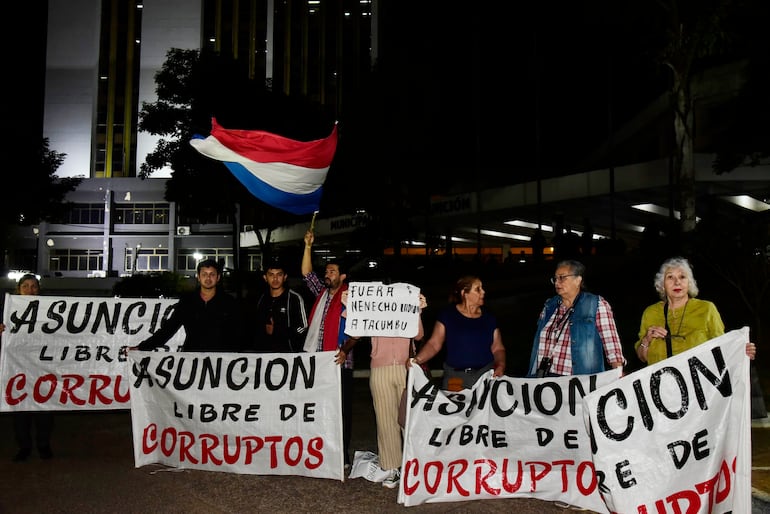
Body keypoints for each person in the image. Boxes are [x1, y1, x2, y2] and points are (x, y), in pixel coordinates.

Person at [343, 288, 427, 489]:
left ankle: (414, 464)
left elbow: (418, 336)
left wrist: (418, 311)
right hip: (380, 369)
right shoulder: (373, 309)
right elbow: (355, 332)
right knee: (385, 420)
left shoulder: (406, 308)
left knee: (410, 419)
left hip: (406, 368)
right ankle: (393, 466)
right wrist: (350, 306)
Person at [301, 229, 358, 468]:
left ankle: (342, 456)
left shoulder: (351, 296)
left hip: (340, 362)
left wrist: (345, 348)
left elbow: (358, 331)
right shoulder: (322, 293)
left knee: (341, 411)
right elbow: (306, 274)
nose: (327, 274)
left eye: (332, 271)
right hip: (319, 361)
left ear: (342, 276)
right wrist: (308, 246)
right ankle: (323, 451)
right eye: (327, 271)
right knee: (320, 409)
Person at [635, 256, 757, 365]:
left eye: (682, 277)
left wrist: (740, 351)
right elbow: (642, 357)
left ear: (689, 283)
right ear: (662, 285)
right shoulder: (650, 313)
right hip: (663, 387)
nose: (677, 282)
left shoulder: (707, 309)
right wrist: (646, 339)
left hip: (699, 387)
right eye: (670, 277)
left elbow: (722, 348)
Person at [526, 260, 625, 377]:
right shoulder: (549, 306)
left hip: (579, 380)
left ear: (578, 280)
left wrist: (618, 372)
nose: (557, 282)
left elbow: (611, 343)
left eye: (562, 278)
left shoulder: (596, 304)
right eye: (555, 279)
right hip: (546, 379)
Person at [410, 275, 506, 391]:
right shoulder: (448, 316)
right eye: (478, 289)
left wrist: (501, 365)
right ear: (464, 293)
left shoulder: (489, 319)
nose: (483, 292)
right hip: (456, 378)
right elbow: (434, 344)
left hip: (485, 377)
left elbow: (497, 348)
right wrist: (417, 360)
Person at [129, 259, 243, 352]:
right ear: (198, 277)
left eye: (212, 274)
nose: (208, 278)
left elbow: (238, 333)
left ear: (218, 278)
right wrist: (142, 347)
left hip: (222, 362)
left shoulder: (229, 303)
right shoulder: (188, 301)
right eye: (204, 274)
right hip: (191, 361)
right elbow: (168, 329)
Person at [0, 274, 55, 462]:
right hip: (18, 368)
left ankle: (43, 445)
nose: (30, 290)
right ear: (18, 289)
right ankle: (24, 447)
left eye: (34, 286)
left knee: (45, 409)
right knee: (21, 409)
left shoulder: (49, 311)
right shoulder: (8, 311)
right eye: (26, 286)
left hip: (42, 367)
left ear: (39, 289)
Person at [248, 258, 309, 353]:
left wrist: (277, 331)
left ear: (285, 277)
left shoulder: (294, 298)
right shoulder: (260, 298)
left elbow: (303, 327)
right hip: (264, 356)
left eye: (279, 275)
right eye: (271, 275)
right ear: (265, 277)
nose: (275, 279)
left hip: (288, 356)